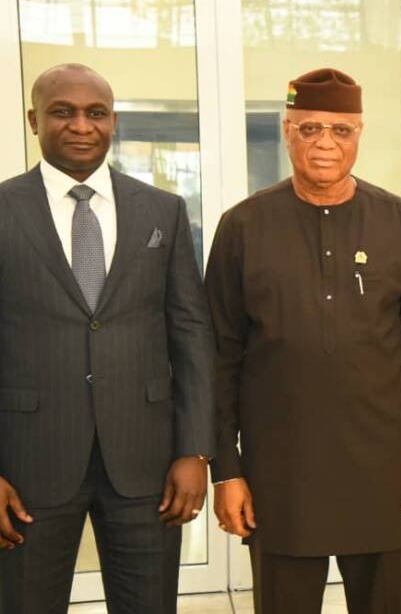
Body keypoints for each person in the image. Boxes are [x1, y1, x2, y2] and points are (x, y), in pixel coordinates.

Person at [205, 68, 401, 614]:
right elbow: (219, 356)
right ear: (287, 129)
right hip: (281, 471)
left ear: (360, 132)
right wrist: (227, 467)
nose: (325, 144)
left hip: (383, 466)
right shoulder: (242, 228)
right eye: (310, 128)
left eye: (340, 131)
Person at [0, 63, 215, 613]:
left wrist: (194, 449)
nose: (81, 125)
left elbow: (189, 332)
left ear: (112, 121)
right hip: (28, 465)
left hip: (146, 463)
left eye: (95, 113)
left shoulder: (161, 209)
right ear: (33, 120)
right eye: (62, 112)